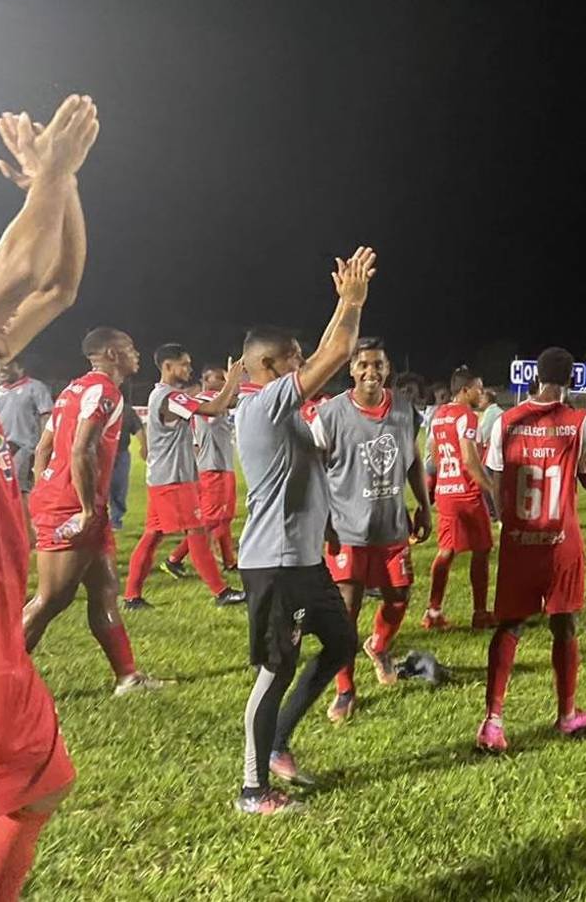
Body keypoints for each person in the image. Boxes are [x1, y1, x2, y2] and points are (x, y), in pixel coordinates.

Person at [0, 93, 98, 901]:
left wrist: (61, 186)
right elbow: (19, 270)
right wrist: (48, 179)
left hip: (0, 645)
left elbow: (55, 286)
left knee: (42, 787)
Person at [233, 246, 375, 815]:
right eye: (292, 358)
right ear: (267, 368)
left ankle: (280, 745)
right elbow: (337, 350)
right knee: (276, 669)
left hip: (305, 560)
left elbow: (324, 351)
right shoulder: (265, 404)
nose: (302, 363)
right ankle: (251, 787)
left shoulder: (285, 408)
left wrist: (329, 532)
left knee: (341, 644)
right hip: (275, 563)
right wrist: (351, 304)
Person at [25, 328, 164, 696]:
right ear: (110, 352)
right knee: (51, 598)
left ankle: (128, 678)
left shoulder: (72, 389)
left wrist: (45, 490)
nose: (136, 353)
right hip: (74, 506)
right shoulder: (104, 391)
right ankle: (0, 676)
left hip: (71, 502)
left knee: (104, 590)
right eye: (130, 347)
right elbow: (81, 451)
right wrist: (82, 508)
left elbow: (43, 450)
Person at [476, 346, 586, 753]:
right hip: (560, 543)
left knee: (509, 625)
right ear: (572, 380)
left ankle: (493, 722)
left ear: (535, 377)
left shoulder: (507, 421)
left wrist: (506, 519)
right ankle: (567, 714)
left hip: (519, 543)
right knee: (564, 623)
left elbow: (494, 477)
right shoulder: (578, 422)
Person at [307, 337, 431, 722]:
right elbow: (313, 469)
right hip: (346, 529)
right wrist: (322, 520)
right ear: (351, 369)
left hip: (392, 527)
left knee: (399, 598)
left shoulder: (405, 411)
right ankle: (345, 689)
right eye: (363, 365)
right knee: (347, 611)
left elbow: (411, 462)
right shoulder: (330, 415)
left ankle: (378, 646)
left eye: (378, 365)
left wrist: (424, 506)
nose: (371, 372)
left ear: (388, 368)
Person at [123, 345, 245, 608]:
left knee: (153, 535)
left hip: (163, 478)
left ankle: (132, 596)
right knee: (198, 531)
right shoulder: (169, 397)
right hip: (174, 480)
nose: (189, 369)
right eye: (185, 364)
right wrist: (232, 382)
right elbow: (213, 408)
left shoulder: (164, 395)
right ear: (167, 366)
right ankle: (221, 592)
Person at [424, 367, 496, 630]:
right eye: (478, 387)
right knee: (482, 549)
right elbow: (469, 459)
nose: (482, 391)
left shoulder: (439, 414)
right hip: (466, 495)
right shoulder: (467, 417)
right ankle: (479, 613)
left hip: (446, 491)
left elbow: (433, 453)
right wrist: (490, 487)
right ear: (465, 390)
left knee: (446, 551)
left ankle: (433, 612)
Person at [165, 364, 241, 571]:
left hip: (223, 465)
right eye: (220, 377)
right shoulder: (204, 400)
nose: (224, 380)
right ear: (206, 380)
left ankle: (229, 561)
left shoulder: (219, 400)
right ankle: (174, 559)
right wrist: (234, 383)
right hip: (212, 467)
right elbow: (230, 403)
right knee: (210, 520)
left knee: (224, 518)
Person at [0, 357, 53, 541]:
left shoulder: (35, 387)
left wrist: (43, 448)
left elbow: (46, 417)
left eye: (7, 366)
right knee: (0, 494)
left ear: (20, 367)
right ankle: (7, 533)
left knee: (21, 492)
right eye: (0, 368)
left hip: (24, 448)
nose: (2, 371)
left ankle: (30, 537)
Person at [109, 392, 144, 530]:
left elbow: (138, 429)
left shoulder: (127, 411)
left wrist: (144, 447)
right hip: (101, 454)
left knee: (119, 487)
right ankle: (96, 519)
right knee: (97, 488)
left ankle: (116, 520)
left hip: (121, 453)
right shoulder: (100, 407)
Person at [477, 386, 503, 521]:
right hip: (498, 452)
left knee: (486, 483)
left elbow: (481, 434)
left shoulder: (491, 413)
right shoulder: (497, 411)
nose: (479, 400)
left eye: (482, 397)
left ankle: (494, 512)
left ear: (488, 399)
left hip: (492, 453)